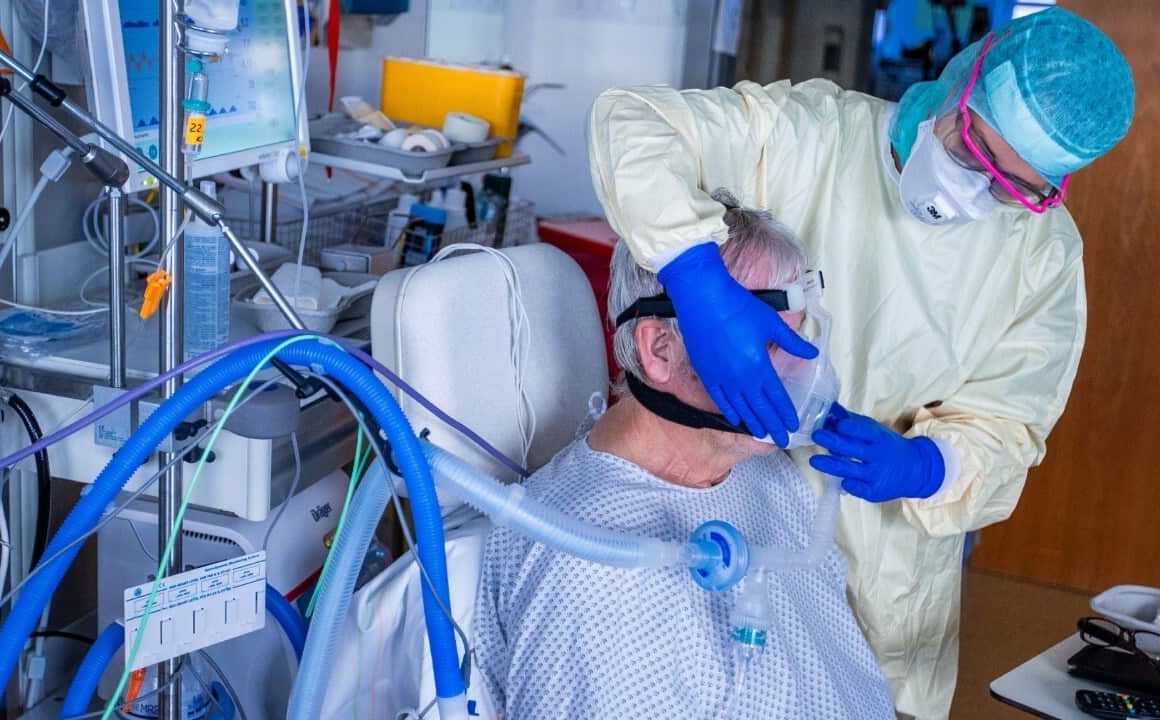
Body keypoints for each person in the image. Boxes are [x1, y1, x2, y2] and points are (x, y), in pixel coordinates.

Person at [586, 8, 1134, 718]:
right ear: (962, 82)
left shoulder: (1042, 254)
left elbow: (1010, 425)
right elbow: (631, 123)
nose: (975, 193)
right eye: (973, 153)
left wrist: (928, 465)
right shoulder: (808, 139)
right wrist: (695, 277)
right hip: (724, 530)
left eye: (1013, 189)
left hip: (889, 587)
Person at [472, 200, 895, 719]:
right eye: (765, 343)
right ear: (660, 349)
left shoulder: (762, 471)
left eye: (797, 336)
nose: (801, 372)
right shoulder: (592, 563)